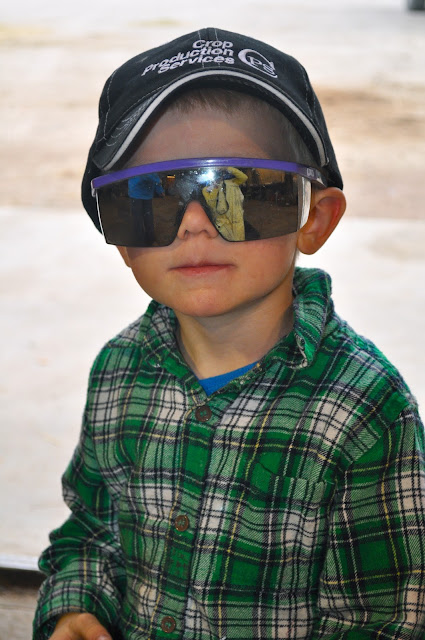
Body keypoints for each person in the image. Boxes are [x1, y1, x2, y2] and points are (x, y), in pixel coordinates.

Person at [33, 28, 425, 640]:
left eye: (237, 190)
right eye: (148, 197)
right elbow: (90, 528)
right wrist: (75, 607)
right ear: (120, 239)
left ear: (314, 219)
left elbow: (385, 618)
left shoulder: (366, 410)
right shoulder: (117, 370)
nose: (194, 223)